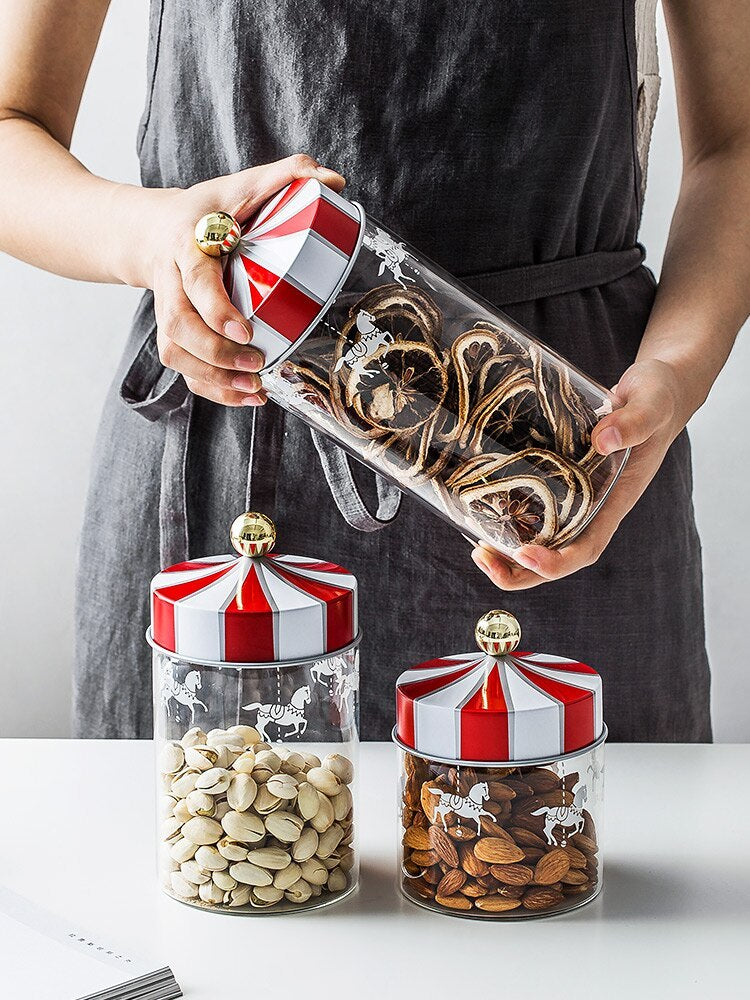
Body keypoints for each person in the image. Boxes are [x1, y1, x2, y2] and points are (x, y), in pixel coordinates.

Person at [1, 2, 748, 741]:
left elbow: (736, 140)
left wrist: (678, 368)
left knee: (574, 851)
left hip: (564, 454)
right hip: (236, 434)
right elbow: (11, 120)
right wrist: (153, 239)